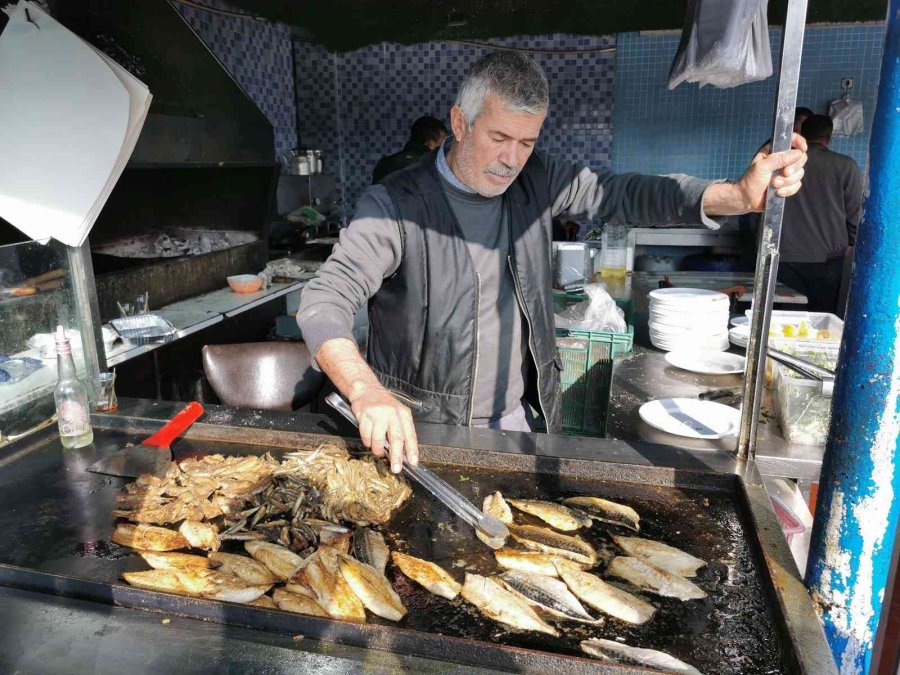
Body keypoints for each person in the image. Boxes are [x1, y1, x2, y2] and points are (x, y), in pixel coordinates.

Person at [298, 52, 807, 472]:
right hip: (423, 432)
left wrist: (736, 195)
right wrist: (366, 391)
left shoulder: (537, 179)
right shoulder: (396, 205)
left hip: (518, 424)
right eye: (498, 138)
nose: (511, 159)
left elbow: (621, 194)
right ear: (459, 122)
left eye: (527, 142)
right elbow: (326, 297)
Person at [778, 114, 862, 314]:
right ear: (829, 137)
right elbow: (854, 212)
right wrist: (853, 242)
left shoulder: (785, 165)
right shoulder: (845, 165)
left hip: (785, 255)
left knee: (784, 316)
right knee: (822, 318)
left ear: (802, 134)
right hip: (828, 258)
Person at [371, 116, 449, 184]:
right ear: (430, 144)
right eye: (442, 143)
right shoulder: (427, 168)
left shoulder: (384, 163)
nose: (445, 149)